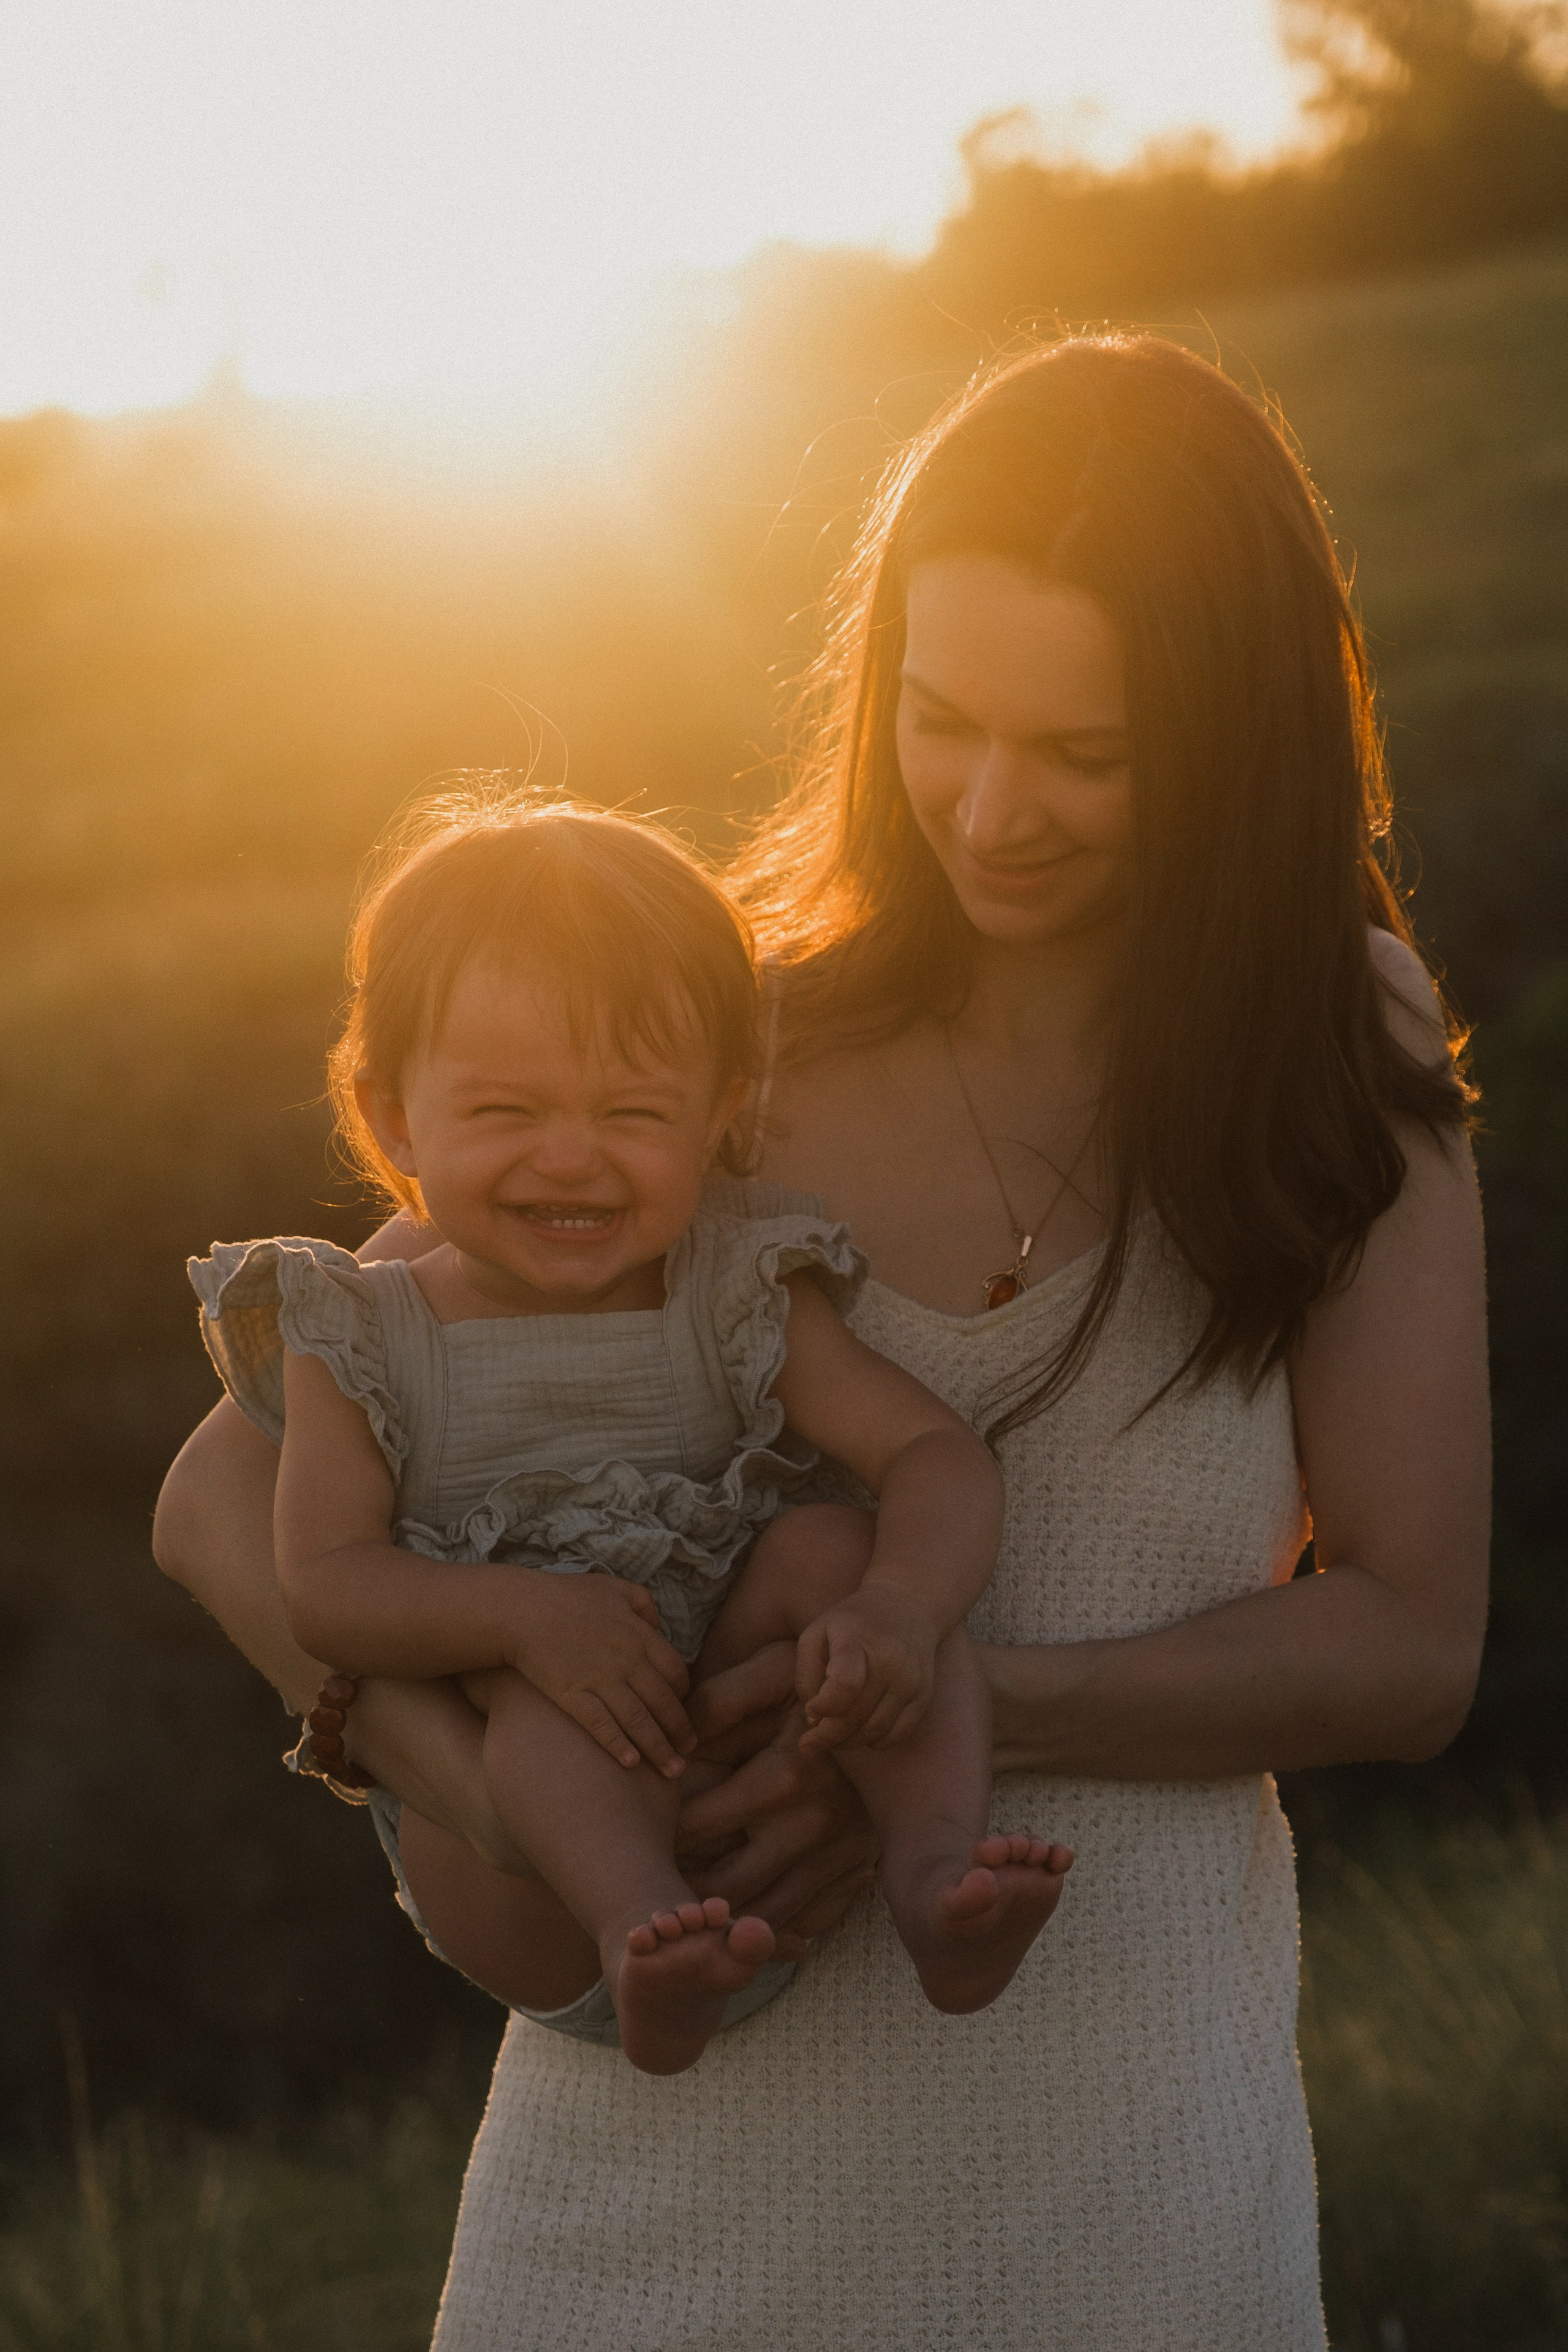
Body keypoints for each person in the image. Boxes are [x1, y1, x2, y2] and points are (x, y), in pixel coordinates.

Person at [154, 333, 1490, 2350]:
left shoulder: (1338, 1041)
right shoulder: (732, 1046)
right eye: (941, 720)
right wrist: (495, 1787)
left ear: (1241, 739)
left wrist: (942, 1703)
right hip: (655, 2235)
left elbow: (1410, 1642)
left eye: (1088, 753)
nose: (992, 805)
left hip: (1134, 2199)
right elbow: (217, 1499)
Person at [185, 798, 1069, 2075]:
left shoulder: (734, 1287)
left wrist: (899, 1608)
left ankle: (940, 1877)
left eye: (633, 1115)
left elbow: (933, 1457)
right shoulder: (360, 1332)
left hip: (721, 1732)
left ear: (719, 1115)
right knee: (547, 1677)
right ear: (393, 1122)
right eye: (505, 1113)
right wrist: (517, 1621)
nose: (571, 1159)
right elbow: (324, 1586)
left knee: (833, 1545)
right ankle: (646, 1939)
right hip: (524, 1855)